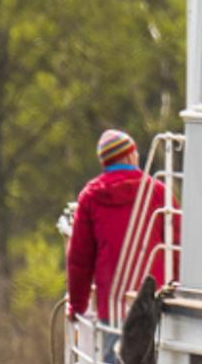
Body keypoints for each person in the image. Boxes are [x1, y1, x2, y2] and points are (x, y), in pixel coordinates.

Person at [62, 128, 166, 322]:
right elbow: (177, 247)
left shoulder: (90, 197)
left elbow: (79, 260)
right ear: (128, 157)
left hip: (112, 312)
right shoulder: (157, 192)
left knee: (114, 352)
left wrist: (76, 307)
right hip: (154, 311)